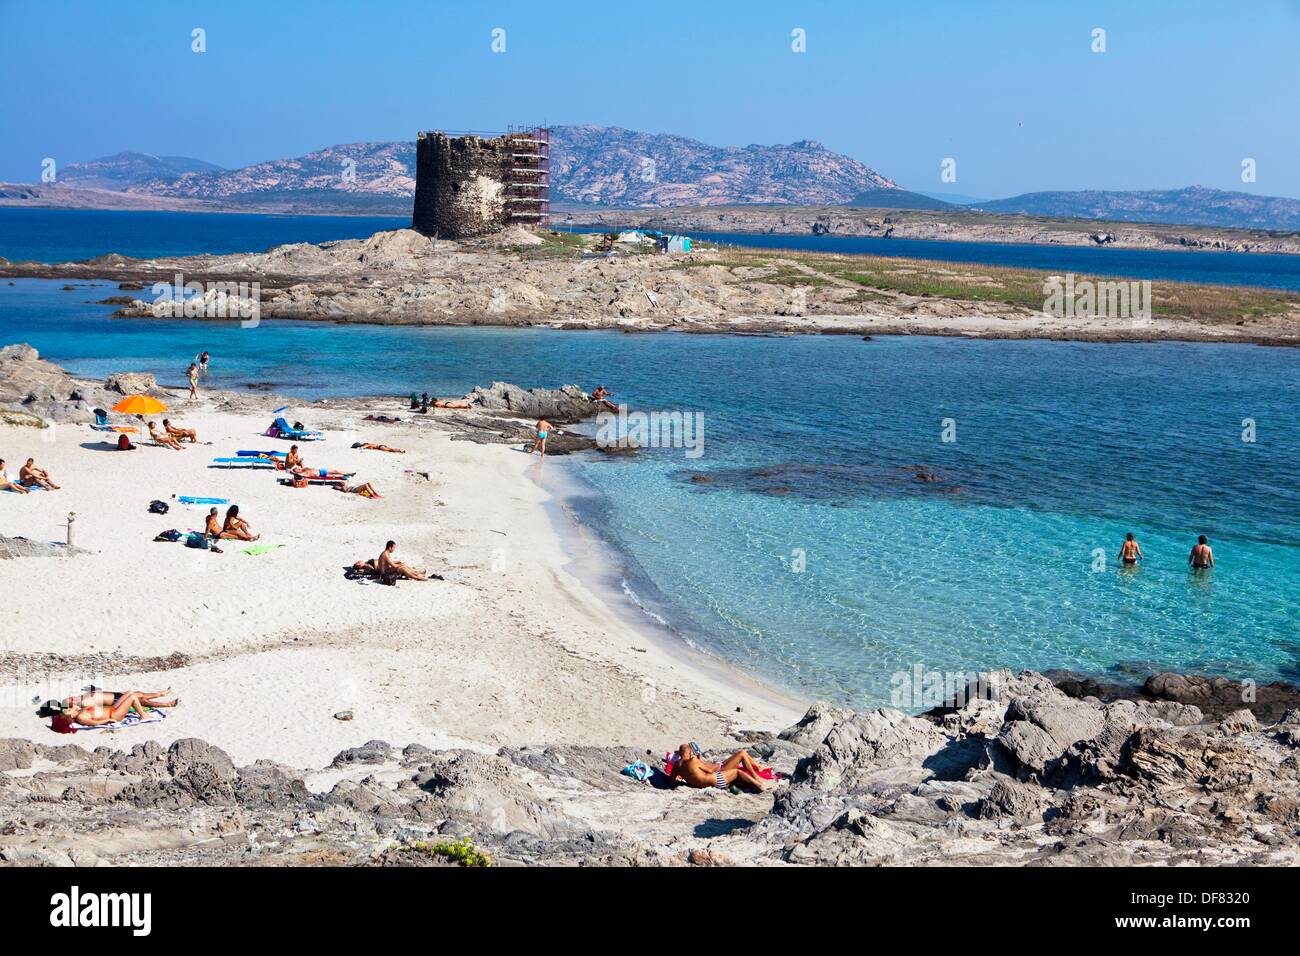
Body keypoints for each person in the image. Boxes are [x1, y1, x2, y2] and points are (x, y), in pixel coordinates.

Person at [38, 689, 179, 732]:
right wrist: (108, 720)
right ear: (70, 716)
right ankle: (144, 715)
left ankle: (155, 704)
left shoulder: (81, 710)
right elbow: (93, 723)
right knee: (133, 697)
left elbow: (96, 713)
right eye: (68, 710)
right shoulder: (81, 717)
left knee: (131, 694)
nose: (70, 708)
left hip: (113, 709)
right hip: (115, 714)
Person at [665, 743, 771, 793]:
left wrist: (682, 780)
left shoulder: (676, 765)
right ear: (689, 752)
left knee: (742, 755)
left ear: (679, 753)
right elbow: (710, 770)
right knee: (738, 770)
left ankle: (757, 768)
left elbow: (671, 782)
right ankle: (758, 783)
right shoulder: (693, 761)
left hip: (709, 781)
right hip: (717, 780)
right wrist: (714, 765)